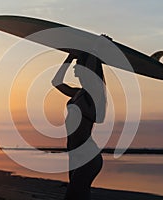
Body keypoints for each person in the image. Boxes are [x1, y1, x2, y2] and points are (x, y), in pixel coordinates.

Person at [51, 51, 107, 200]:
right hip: (75, 154)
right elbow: (56, 82)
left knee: (72, 197)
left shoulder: (93, 94)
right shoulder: (78, 93)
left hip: (87, 156)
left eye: (78, 65)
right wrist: (70, 57)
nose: (74, 68)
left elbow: (92, 72)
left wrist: (96, 49)